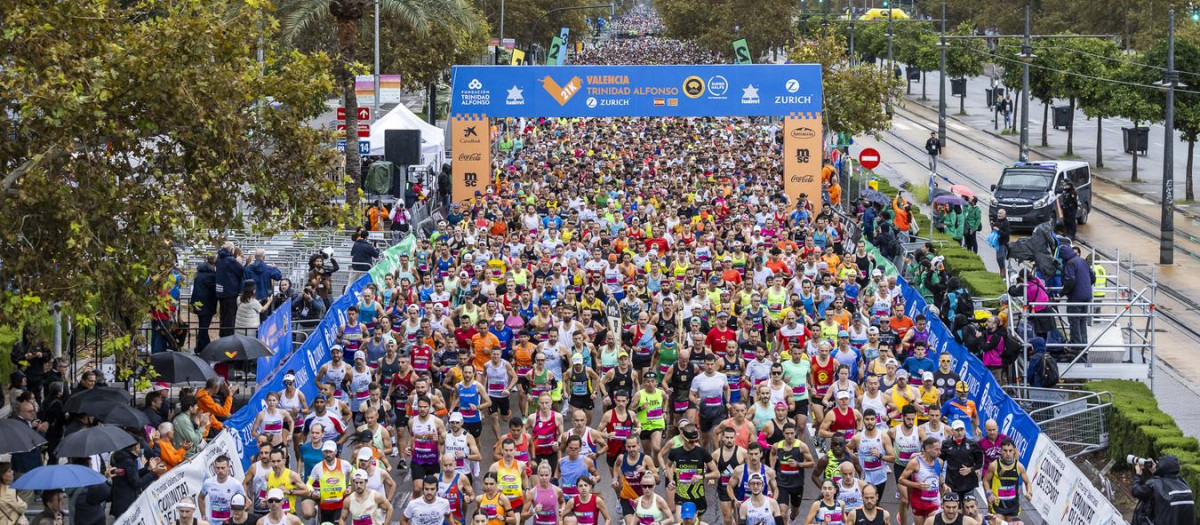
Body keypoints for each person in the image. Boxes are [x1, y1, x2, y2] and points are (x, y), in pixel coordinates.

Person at [1132, 454, 1196, 525]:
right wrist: (1155, 471)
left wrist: (1138, 474)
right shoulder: (1183, 483)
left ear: (1161, 466)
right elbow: (1165, 478)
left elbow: (1136, 491)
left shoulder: (1154, 483)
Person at [111, 441, 166, 518]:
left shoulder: (125, 458)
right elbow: (137, 483)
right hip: (126, 504)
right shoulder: (128, 461)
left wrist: (149, 469)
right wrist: (153, 472)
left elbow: (133, 475)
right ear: (136, 446)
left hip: (122, 501)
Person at [984, 438, 1032, 521]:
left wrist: (1029, 493)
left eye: (1010, 451)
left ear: (1014, 451)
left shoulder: (1019, 466)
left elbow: (1027, 482)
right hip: (998, 505)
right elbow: (986, 480)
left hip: (1013, 505)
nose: (1008, 453)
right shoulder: (994, 465)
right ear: (1000, 451)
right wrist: (989, 493)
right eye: (1005, 451)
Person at [1060, 243, 1095, 353]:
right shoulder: (1082, 261)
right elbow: (1093, 277)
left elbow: (1070, 280)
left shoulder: (1070, 263)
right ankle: (1083, 343)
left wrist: (1062, 292)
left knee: (1074, 320)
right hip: (1087, 296)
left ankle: (1076, 346)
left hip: (1076, 296)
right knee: (1082, 320)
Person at [199, 455, 246, 525]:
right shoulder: (208, 483)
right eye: (217, 468)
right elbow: (200, 498)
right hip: (213, 522)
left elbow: (246, 502)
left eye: (223, 468)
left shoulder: (236, 484)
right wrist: (203, 515)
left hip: (230, 523)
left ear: (228, 468)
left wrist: (239, 516)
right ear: (214, 468)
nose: (220, 471)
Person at [215, 242, 245, 337]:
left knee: (223, 316)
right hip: (230, 291)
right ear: (231, 249)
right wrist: (239, 262)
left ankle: (222, 336)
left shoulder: (219, 259)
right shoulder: (230, 260)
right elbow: (241, 271)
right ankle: (229, 337)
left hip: (221, 291)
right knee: (230, 317)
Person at [192, 255, 218, 353]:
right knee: (204, 327)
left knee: (202, 326)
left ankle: (201, 346)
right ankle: (204, 347)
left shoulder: (198, 274)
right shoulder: (212, 276)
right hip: (207, 304)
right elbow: (213, 291)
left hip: (198, 303)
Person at [991, 209, 1011, 273]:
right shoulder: (998, 221)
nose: (999, 215)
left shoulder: (1006, 222)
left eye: (1001, 213)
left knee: (1001, 258)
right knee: (998, 259)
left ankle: (1003, 272)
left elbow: (1006, 234)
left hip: (1003, 243)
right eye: (998, 213)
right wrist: (993, 227)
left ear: (1004, 215)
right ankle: (1001, 271)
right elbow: (994, 231)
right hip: (998, 243)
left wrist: (998, 230)